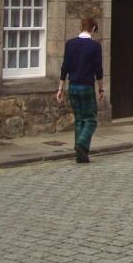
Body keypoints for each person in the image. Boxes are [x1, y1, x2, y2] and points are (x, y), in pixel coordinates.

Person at [57, 16, 105, 163]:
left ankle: (81, 155)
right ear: (94, 29)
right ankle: (80, 144)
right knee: (90, 120)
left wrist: (60, 88)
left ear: (81, 27)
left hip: (72, 85)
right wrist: (101, 89)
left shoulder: (70, 44)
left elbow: (65, 66)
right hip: (86, 85)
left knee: (79, 120)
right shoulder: (95, 46)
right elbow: (98, 70)